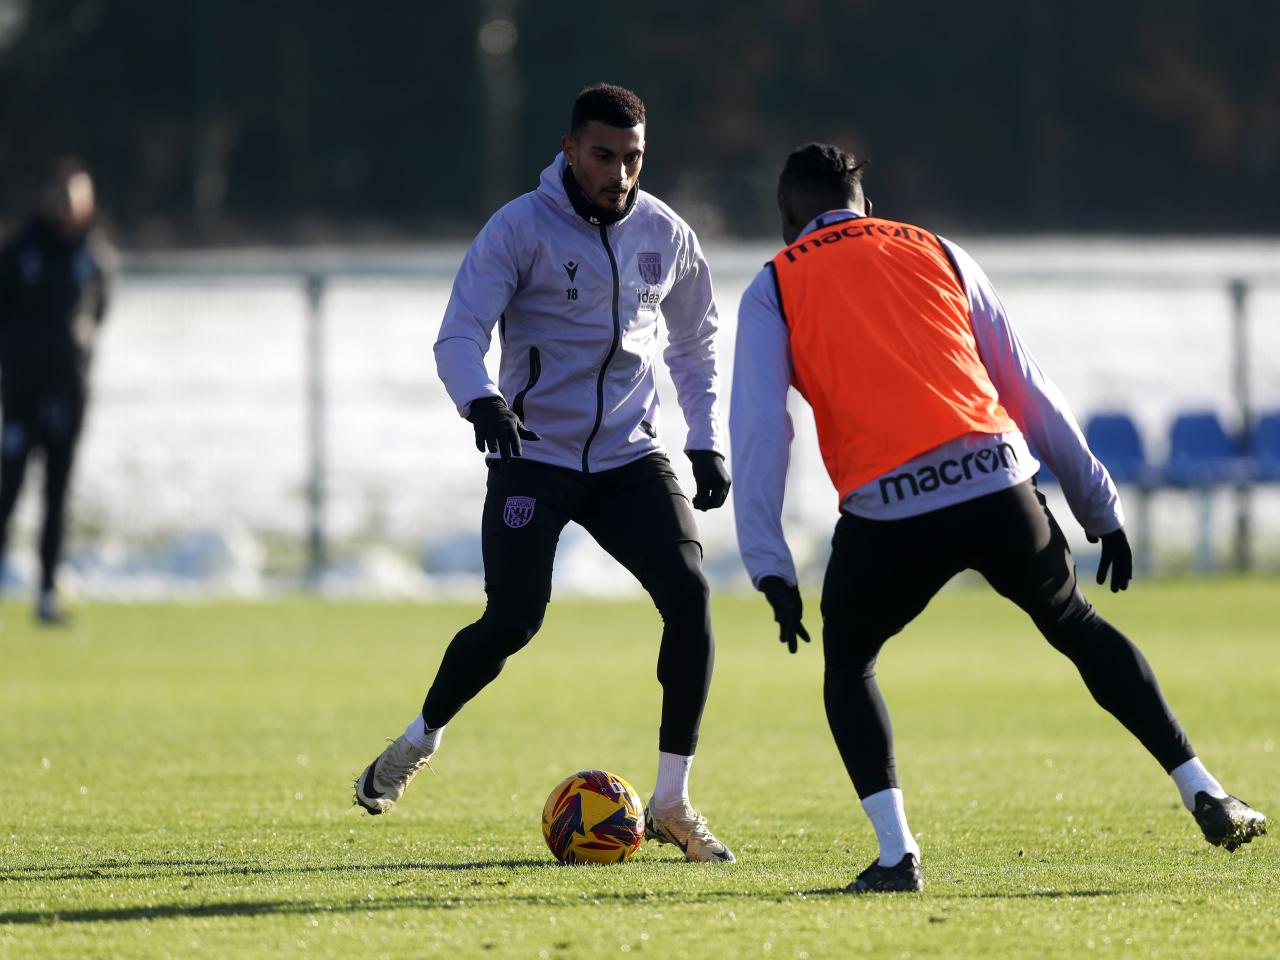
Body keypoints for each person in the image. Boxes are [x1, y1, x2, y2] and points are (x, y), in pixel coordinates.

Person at [730, 143, 1267, 893]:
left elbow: (760, 430)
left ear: (788, 223)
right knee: (1075, 624)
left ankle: (897, 857)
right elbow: (1025, 382)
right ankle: (1205, 788)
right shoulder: (937, 249)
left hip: (891, 511)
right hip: (995, 480)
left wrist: (769, 562)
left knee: (849, 664)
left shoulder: (776, 284)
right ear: (866, 205)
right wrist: (1097, 505)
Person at [353, 84, 735, 862]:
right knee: (514, 620)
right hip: (536, 454)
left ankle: (672, 801)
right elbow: (459, 333)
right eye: (603, 155)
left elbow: (697, 342)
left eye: (632, 158)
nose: (618, 174)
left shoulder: (666, 233)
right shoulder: (518, 229)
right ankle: (418, 740)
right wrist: (482, 403)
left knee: (691, 597)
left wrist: (706, 440)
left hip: (632, 454)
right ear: (569, 150)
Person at [0, 158, 112, 624]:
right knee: (9, 487)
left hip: (69, 390)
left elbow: (100, 310)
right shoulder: (20, 252)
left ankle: (47, 591)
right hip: (23, 389)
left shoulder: (94, 257)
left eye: (74, 198)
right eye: (59, 197)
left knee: (57, 494)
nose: (66, 207)